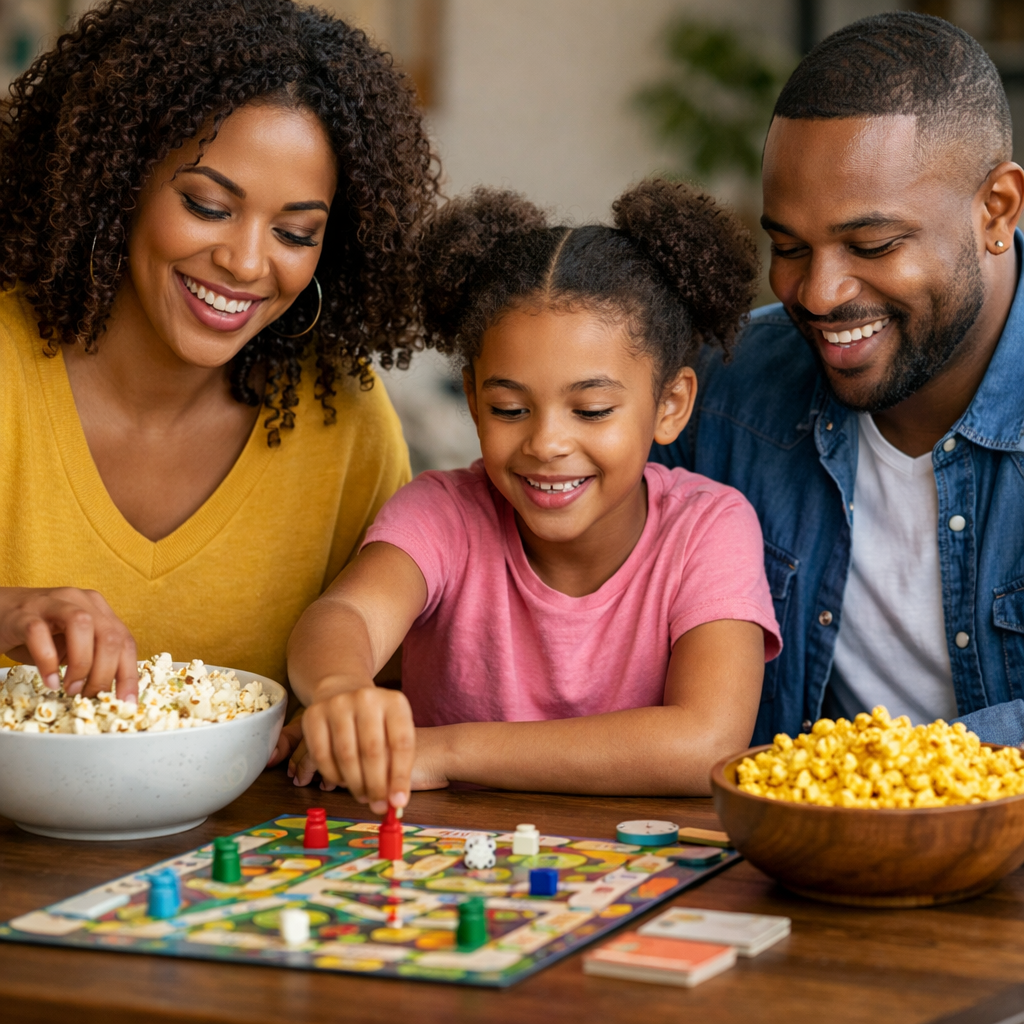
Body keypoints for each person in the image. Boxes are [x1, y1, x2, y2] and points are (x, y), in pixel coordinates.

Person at [0, 0, 437, 765]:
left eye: (295, 232)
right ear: (119, 178)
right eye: (207, 205)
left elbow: (393, 677)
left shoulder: (341, 418)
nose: (244, 261)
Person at [286, 179, 782, 812]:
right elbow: (344, 617)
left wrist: (440, 750)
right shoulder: (443, 513)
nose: (546, 443)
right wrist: (338, 691)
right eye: (510, 407)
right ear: (472, 400)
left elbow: (705, 741)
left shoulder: (709, 527)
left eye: (593, 409)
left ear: (670, 405)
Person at [653, 13, 1024, 745]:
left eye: (872, 244)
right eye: (789, 247)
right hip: (788, 852)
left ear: (996, 210)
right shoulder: (722, 394)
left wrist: (897, 781)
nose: (819, 294)